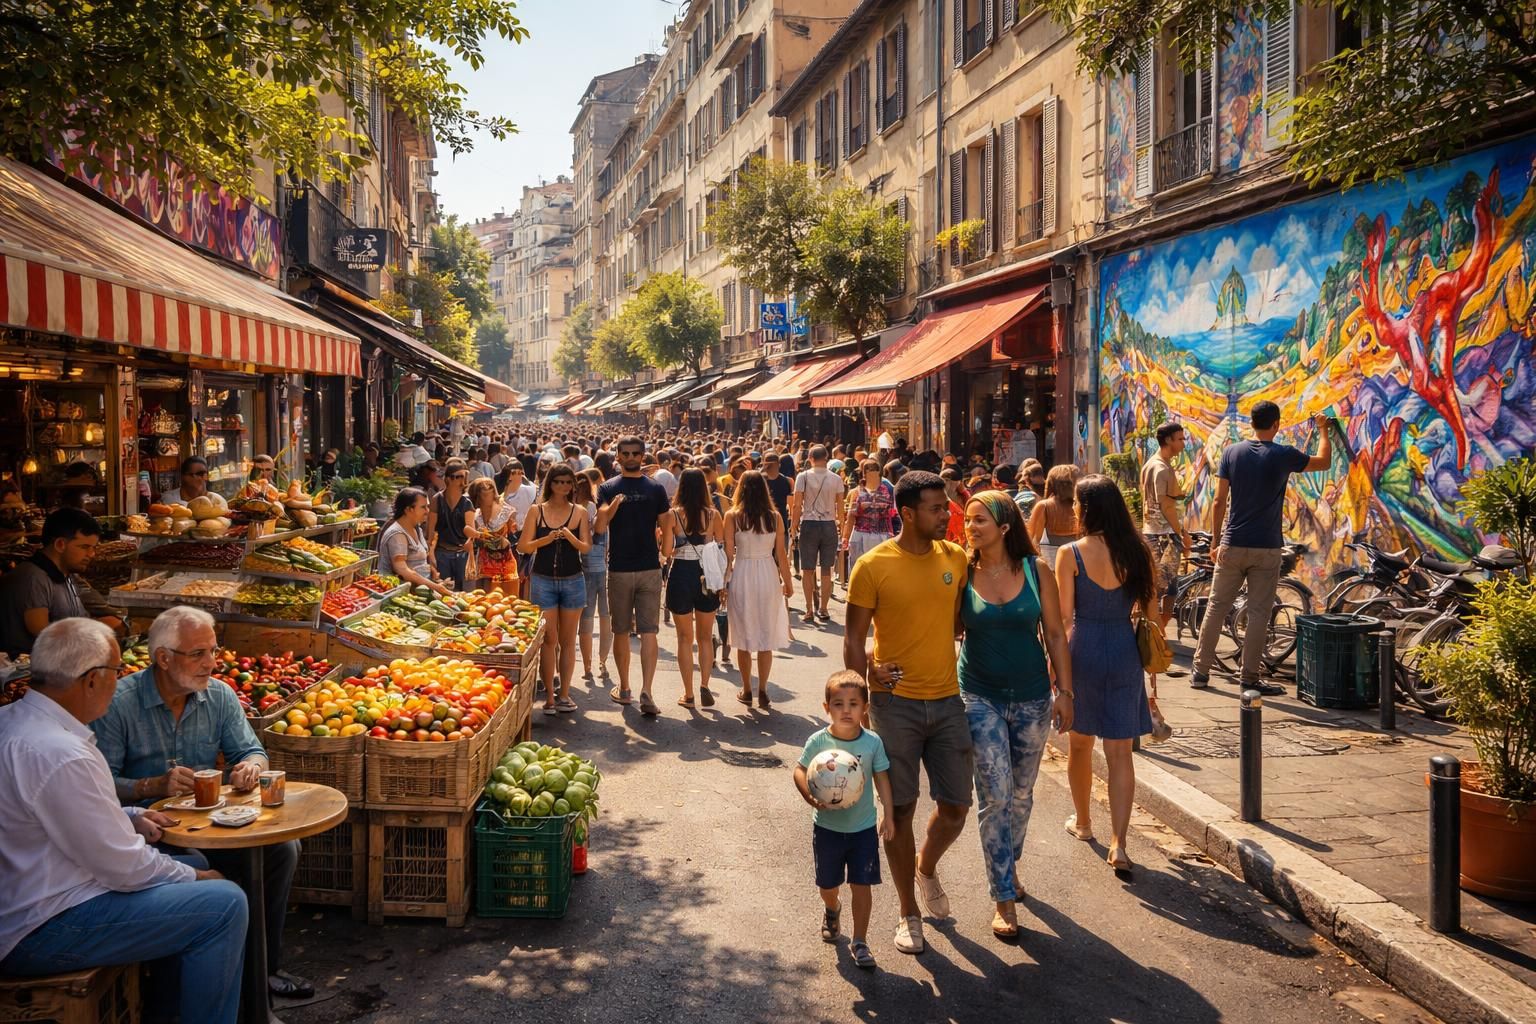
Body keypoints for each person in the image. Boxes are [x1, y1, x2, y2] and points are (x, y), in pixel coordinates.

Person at [0, 619, 248, 1024]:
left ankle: (166, 1012)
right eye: (116, 672)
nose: (119, 682)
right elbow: (123, 867)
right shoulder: (62, 752)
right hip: (42, 926)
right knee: (225, 903)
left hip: (30, 900)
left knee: (195, 864)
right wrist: (199, 879)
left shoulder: (13, 721)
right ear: (92, 680)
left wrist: (131, 815)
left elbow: (59, 816)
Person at [91, 605, 311, 998]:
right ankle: (186, 986)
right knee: (198, 862)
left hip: (213, 825)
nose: (211, 663)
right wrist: (149, 786)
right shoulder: (120, 703)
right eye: (198, 654)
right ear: (163, 658)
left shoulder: (219, 695)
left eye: (213, 651)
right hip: (148, 834)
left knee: (282, 849)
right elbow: (98, 784)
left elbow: (253, 750)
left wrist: (250, 766)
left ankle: (262, 968)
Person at [843, 471, 972, 956]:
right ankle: (907, 912)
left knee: (956, 807)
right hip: (894, 706)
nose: (946, 515)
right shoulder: (872, 565)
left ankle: (926, 867)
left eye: (947, 506)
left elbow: (958, 622)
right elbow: (853, 638)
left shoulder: (955, 558)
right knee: (898, 810)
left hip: (948, 700)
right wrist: (863, 687)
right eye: (937, 508)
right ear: (909, 513)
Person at [959, 492, 1073, 938]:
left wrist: (1065, 692)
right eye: (969, 520)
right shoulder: (962, 571)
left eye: (979, 520)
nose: (970, 527)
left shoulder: (1035, 570)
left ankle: (1009, 865)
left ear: (1004, 526)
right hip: (978, 696)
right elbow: (946, 627)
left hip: (1032, 698)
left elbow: (1056, 634)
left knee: (1022, 795)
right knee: (996, 796)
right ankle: (1003, 897)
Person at [1193, 404, 1332, 694]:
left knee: (1216, 608)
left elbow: (1218, 501)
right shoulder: (1284, 455)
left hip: (1232, 544)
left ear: (1252, 422)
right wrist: (1322, 430)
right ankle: (1249, 677)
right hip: (1266, 547)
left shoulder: (1231, 453)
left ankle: (1200, 672)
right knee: (1258, 613)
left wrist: (1217, 541)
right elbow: (1323, 462)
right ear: (1276, 424)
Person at [1058, 475, 1158, 873]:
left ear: (1086, 509)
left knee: (1080, 745)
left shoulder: (1070, 553)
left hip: (1082, 649)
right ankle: (1120, 844)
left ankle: (1083, 822)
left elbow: (1064, 618)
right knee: (1120, 753)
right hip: (1123, 648)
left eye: (1077, 504)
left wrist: (1056, 667)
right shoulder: (1137, 551)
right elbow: (1151, 615)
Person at [793, 670, 896, 971]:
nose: (846, 710)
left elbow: (882, 778)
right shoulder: (818, 741)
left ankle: (860, 941)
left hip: (863, 829)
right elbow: (800, 770)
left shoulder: (872, 742)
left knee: (862, 884)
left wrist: (888, 814)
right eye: (838, 704)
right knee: (828, 884)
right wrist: (808, 795)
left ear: (865, 707)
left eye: (854, 704)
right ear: (827, 708)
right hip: (827, 828)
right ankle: (831, 908)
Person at [598, 437, 671, 715]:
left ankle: (642, 690)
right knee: (626, 630)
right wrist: (611, 509)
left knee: (643, 631)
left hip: (639, 567)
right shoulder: (608, 488)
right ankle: (629, 687)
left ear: (643, 456)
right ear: (617, 455)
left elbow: (666, 524)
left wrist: (664, 554)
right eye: (625, 453)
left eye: (635, 453)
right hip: (626, 567)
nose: (630, 457)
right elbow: (600, 526)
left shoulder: (654, 488)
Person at [0, 508, 122, 656]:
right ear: (59, 544)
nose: (91, 554)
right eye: (84, 547)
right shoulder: (33, 579)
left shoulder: (67, 575)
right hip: (36, 668)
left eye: (93, 547)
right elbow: (45, 637)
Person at [519, 463, 591, 715]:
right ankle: (550, 696)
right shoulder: (536, 511)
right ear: (550, 483)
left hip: (573, 579)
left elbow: (586, 547)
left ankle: (564, 694)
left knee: (568, 641)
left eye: (568, 482)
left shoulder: (580, 512)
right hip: (543, 580)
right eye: (558, 481)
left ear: (573, 485)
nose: (563, 486)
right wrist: (546, 539)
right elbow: (523, 546)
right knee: (548, 640)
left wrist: (571, 538)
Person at [724, 471, 793, 708]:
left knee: (743, 635)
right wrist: (788, 582)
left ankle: (746, 689)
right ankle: (762, 689)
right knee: (766, 635)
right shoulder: (775, 517)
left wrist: (723, 583)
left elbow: (728, 554)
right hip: (768, 574)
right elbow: (781, 554)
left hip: (742, 572)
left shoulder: (732, 516)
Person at [661, 468, 724, 710]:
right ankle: (705, 683)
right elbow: (721, 549)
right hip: (706, 576)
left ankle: (688, 693)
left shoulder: (673, 515)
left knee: (684, 638)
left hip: (681, 574)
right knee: (705, 637)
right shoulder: (713, 515)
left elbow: (667, 551)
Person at [1141, 422, 1190, 647]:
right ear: (1168, 440)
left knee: (1160, 588)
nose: (1183, 443)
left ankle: (1154, 634)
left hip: (1155, 533)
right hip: (1164, 536)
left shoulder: (1152, 464)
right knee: (1166, 590)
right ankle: (1155, 636)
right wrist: (1182, 534)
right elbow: (1166, 506)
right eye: (1180, 439)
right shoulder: (1160, 468)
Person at [791, 445, 845, 624]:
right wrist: (841, 525)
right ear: (826, 458)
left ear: (811, 459)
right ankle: (823, 608)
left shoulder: (803, 476)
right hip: (829, 525)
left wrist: (793, 526)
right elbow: (840, 506)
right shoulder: (836, 479)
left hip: (809, 524)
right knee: (827, 569)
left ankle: (808, 609)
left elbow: (797, 505)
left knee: (807, 569)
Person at [576, 469, 613, 683]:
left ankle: (590, 664)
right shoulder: (596, 509)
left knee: (588, 617)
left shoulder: (582, 509)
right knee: (603, 617)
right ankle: (599, 662)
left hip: (587, 569)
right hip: (601, 569)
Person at [379, 488, 450, 596]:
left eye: (427, 507)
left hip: (420, 590)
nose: (427, 511)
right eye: (423, 507)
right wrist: (436, 587)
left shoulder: (417, 528)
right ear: (408, 509)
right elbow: (402, 570)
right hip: (400, 594)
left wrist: (431, 570)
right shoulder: (397, 534)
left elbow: (418, 561)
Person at [843, 459, 897, 570]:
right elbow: (891, 516)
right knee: (880, 570)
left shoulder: (857, 492)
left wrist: (845, 537)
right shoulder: (888, 491)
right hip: (882, 535)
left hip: (861, 535)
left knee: (858, 569)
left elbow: (851, 516)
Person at [428, 464, 475, 591]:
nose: (462, 481)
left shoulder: (466, 503)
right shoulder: (437, 499)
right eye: (459, 477)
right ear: (448, 479)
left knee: (464, 591)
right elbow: (431, 529)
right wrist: (429, 552)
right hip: (442, 552)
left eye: (464, 477)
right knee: (443, 588)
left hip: (461, 552)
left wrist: (470, 541)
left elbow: (470, 528)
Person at [469, 478, 518, 593]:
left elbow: (514, 534)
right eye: (483, 495)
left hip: (504, 562)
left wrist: (505, 540)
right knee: (483, 596)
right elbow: (472, 537)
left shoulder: (506, 511)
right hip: (483, 564)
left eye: (489, 494)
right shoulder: (475, 514)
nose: (486, 498)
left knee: (506, 597)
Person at [1027, 464, 1082, 564]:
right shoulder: (1081, 506)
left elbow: (1032, 540)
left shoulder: (1044, 506)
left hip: (1049, 567)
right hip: (1078, 566)